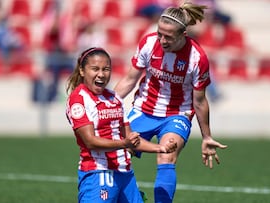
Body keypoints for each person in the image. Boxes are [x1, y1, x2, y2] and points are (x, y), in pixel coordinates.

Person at [113, 2, 228, 202]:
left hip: (177, 114)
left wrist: (206, 136)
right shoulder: (148, 43)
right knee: (118, 151)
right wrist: (107, 105)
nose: (162, 40)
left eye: (169, 36)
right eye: (160, 33)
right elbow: (130, 79)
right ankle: (131, 198)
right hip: (143, 109)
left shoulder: (197, 58)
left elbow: (199, 101)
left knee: (166, 156)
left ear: (183, 34)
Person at [66, 47, 178, 202]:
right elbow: (90, 141)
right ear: (82, 71)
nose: (101, 74)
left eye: (106, 69)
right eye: (95, 69)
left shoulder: (114, 98)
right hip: (99, 173)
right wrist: (123, 143)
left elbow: (130, 138)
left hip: (125, 174)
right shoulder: (78, 100)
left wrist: (160, 148)